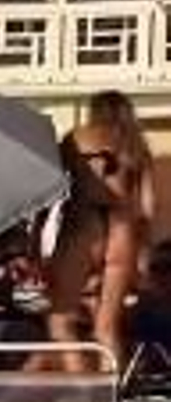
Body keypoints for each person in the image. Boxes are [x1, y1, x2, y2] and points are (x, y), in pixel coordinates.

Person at [46, 90, 156, 371]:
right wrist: (143, 256)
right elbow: (148, 208)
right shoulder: (137, 147)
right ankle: (111, 398)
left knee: (60, 323)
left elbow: (50, 191)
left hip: (85, 225)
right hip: (124, 229)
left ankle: (85, 393)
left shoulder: (76, 138)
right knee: (106, 328)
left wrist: (37, 242)